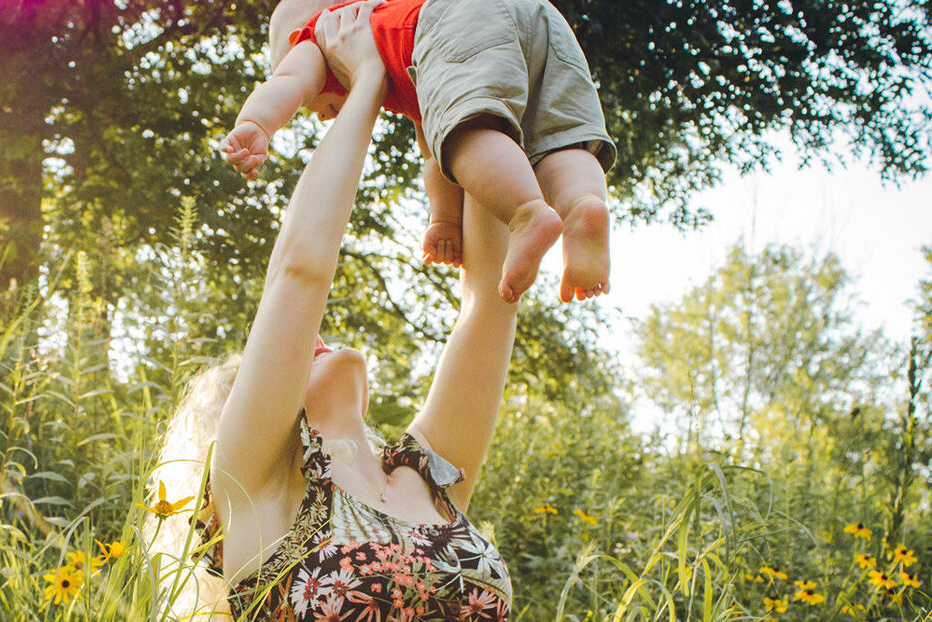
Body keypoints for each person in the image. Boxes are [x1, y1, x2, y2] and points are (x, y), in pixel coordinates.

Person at [149, 4, 516, 619]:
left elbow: (491, 303)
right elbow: (302, 268)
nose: (310, 337)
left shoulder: (425, 478)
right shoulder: (256, 486)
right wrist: (368, 78)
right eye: (281, 359)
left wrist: (467, 92)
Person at [220, 0, 616, 305]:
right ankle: (583, 205)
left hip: (461, 19)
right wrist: (444, 221)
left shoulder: (322, 35)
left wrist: (256, 124)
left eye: (316, 108)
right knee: (558, 137)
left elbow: (290, 81)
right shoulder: (410, 48)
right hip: (541, 17)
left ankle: (527, 213)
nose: (323, 117)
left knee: (468, 134)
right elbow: (435, 156)